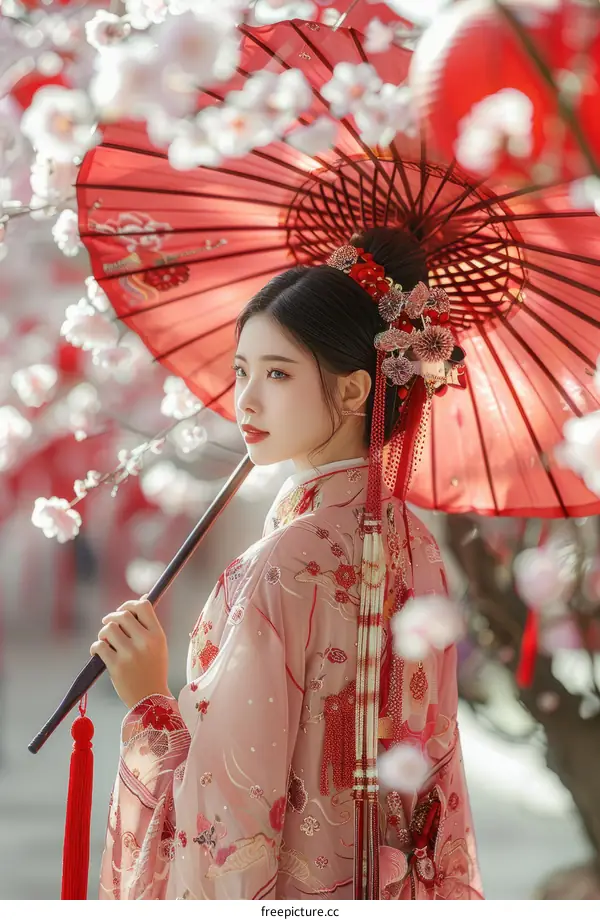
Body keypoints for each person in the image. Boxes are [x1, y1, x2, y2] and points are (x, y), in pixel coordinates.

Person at [92, 227, 483, 900]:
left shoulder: (281, 562)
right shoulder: (413, 543)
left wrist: (150, 699)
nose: (246, 400)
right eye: (242, 370)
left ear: (358, 390)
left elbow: (230, 817)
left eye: (277, 373)